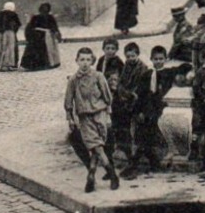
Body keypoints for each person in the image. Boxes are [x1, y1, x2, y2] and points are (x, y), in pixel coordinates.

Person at [64, 47, 119, 193]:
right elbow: (68, 101)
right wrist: (70, 118)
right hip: (85, 118)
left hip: (100, 115)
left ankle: (91, 176)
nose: (85, 63)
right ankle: (112, 174)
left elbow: (107, 97)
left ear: (92, 61)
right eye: (82, 59)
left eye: (88, 59)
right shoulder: (73, 80)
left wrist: (108, 114)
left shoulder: (98, 76)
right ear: (76, 61)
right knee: (97, 147)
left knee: (96, 148)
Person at [122, 46, 179, 178]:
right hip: (147, 109)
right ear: (151, 59)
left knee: (147, 135)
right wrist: (139, 111)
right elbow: (141, 95)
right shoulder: (147, 75)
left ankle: (135, 165)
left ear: (165, 59)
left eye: (161, 59)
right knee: (143, 133)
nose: (158, 61)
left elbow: (185, 68)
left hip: (161, 108)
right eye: (155, 59)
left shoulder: (168, 73)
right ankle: (152, 163)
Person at [116, 42, 148, 166]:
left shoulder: (142, 68)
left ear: (138, 55)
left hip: (136, 100)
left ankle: (136, 153)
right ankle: (126, 150)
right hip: (126, 99)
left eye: (133, 56)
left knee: (136, 126)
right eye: (128, 56)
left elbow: (141, 86)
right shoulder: (126, 66)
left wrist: (131, 94)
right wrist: (123, 92)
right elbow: (121, 82)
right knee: (125, 125)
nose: (130, 59)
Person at [21, 2, 62, 70]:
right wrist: (58, 35)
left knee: (36, 50)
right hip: (46, 36)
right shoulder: (50, 17)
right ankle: (45, 64)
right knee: (45, 50)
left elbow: (29, 27)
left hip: (36, 36)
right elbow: (54, 27)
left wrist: (28, 37)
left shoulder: (35, 17)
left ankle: (33, 65)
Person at [0, 1, 21, 71]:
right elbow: (18, 24)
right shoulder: (13, 14)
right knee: (10, 48)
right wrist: (13, 30)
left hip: (0, 34)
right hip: (10, 34)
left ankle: (1, 64)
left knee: (1, 48)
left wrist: (0, 30)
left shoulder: (1, 14)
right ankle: (9, 63)